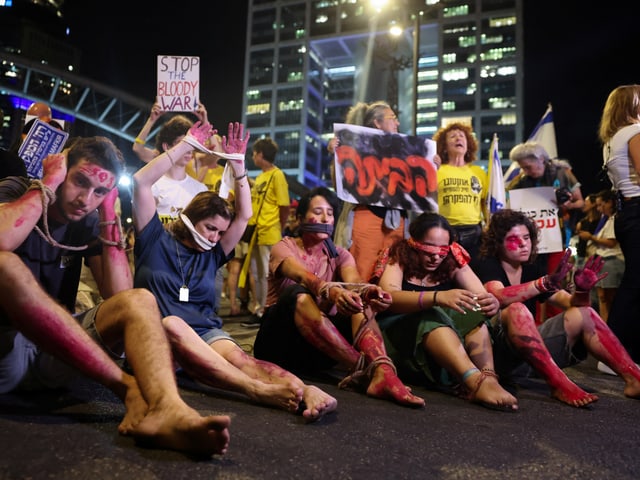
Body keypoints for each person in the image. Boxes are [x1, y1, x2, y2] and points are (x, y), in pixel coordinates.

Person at [0, 136, 231, 457]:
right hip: (5, 356)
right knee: (4, 262)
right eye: (80, 181)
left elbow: (121, 296)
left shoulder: (89, 217)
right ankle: (126, 387)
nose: (85, 198)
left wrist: (108, 209)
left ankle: (169, 409)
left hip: (55, 354)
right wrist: (48, 183)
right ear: (63, 169)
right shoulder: (18, 189)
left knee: (141, 301)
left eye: (99, 191)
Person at [132, 121, 337, 422]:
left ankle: (304, 389)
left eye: (220, 231)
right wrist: (187, 144)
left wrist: (238, 164)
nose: (216, 237)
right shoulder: (153, 239)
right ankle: (254, 390)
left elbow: (245, 215)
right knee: (175, 324)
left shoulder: (213, 254)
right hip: (160, 335)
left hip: (205, 331)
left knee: (241, 358)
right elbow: (139, 183)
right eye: (210, 228)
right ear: (190, 220)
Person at [253, 186, 426, 408]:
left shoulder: (341, 255)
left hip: (318, 353)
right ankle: (364, 370)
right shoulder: (283, 247)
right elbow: (302, 276)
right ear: (300, 217)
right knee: (297, 293)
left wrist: (369, 292)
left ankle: (383, 372)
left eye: (330, 213)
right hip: (279, 346)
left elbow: (354, 282)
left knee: (360, 300)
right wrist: (332, 292)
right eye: (317, 211)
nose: (325, 218)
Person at [471, 209, 640, 406]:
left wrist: (582, 291)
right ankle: (558, 383)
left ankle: (634, 378)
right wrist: (542, 283)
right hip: (495, 357)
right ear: (497, 243)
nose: (523, 244)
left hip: (527, 359)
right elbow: (498, 296)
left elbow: (571, 304)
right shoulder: (486, 263)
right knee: (516, 309)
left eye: (526, 237)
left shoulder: (531, 267)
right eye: (513, 239)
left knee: (585, 312)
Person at [375, 212, 518, 411]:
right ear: (413, 243)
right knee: (431, 314)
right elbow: (388, 297)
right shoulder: (398, 256)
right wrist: (436, 298)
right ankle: (474, 381)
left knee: (472, 313)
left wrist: (490, 302)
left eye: (442, 250)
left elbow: (480, 296)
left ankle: (488, 377)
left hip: (445, 346)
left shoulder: (452, 260)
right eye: (428, 249)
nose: (435, 256)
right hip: (401, 338)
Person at [507, 141, 585, 322]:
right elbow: (510, 205)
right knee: (530, 285)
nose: (526, 171)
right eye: (522, 167)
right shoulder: (519, 182)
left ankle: (555, 325)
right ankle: (530, 325)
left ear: (541, 159)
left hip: (557, 240)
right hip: (529, 244)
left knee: (554, 284)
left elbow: (581, 202)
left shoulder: (563, 174)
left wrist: (567, 204)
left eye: (528, 166)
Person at [598, 84, 640, 363]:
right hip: (637, 210)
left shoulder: (610, 141)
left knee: (635, 281)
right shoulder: (634, 132)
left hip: (627, 214)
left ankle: (617, 352)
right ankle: (614, 355)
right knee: (635, 282)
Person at [241, 137, 290, 327]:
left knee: (267, 274)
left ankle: (265, 311)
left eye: (254, 153)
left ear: (261, 155)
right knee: (257, 273)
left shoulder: (277, 175)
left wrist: (279, 227)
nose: (253, 157)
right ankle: (260, 308)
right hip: (256, 232)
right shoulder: (261, 177)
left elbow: (284, 205)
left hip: (269, 231)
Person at [432, 122, 487, 259]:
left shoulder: (478, 172)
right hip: (445, 231)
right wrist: (430, 168)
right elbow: (424, 198)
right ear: (444, 147)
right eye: (452, 137)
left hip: (475, 233)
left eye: (462, 136)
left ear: (468, 145)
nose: (458, 139)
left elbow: (485, 203)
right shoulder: (437, 170)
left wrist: (489, 227)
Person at [132, 98, 208, 164]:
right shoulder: (161, 159)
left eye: (188, 143)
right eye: (180, 143)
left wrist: (205, 121)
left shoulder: (193, 161)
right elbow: (137, 149)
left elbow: (216, 154)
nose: (186, 148)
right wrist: (151, 120)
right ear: (167, 146)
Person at [589, 189, 623, 322]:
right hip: (603, 261)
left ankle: (613, 326)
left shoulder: (615, 218)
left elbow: (611, 242)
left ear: (610, 202)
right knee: (602, 297)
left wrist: (591, 237)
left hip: (612, 261)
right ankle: (606, 326)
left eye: (600, 204)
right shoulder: (606, 220)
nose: (599, 208)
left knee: (610, 298)